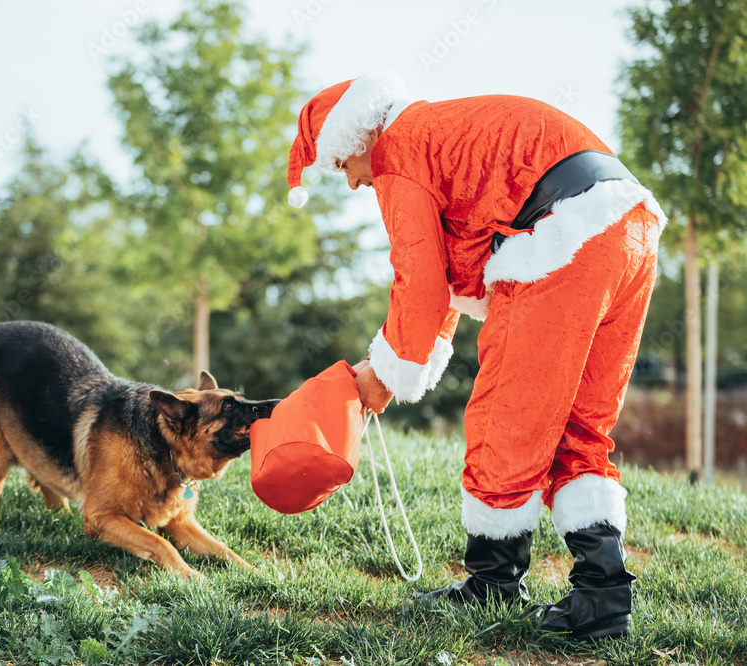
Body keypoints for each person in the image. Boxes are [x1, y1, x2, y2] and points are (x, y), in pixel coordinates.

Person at [285, 71, 665, 640]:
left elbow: (419, 281)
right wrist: (402, 361)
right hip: (630, 226)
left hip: (559, 240)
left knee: (505, 415)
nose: (354, 184)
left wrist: (385, 376)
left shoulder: (397, 150)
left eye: (344, 167)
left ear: (358, 138)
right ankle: (603, 598)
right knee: (580, 425)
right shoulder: (441, 134)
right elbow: (448, 275)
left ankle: (493, 582)